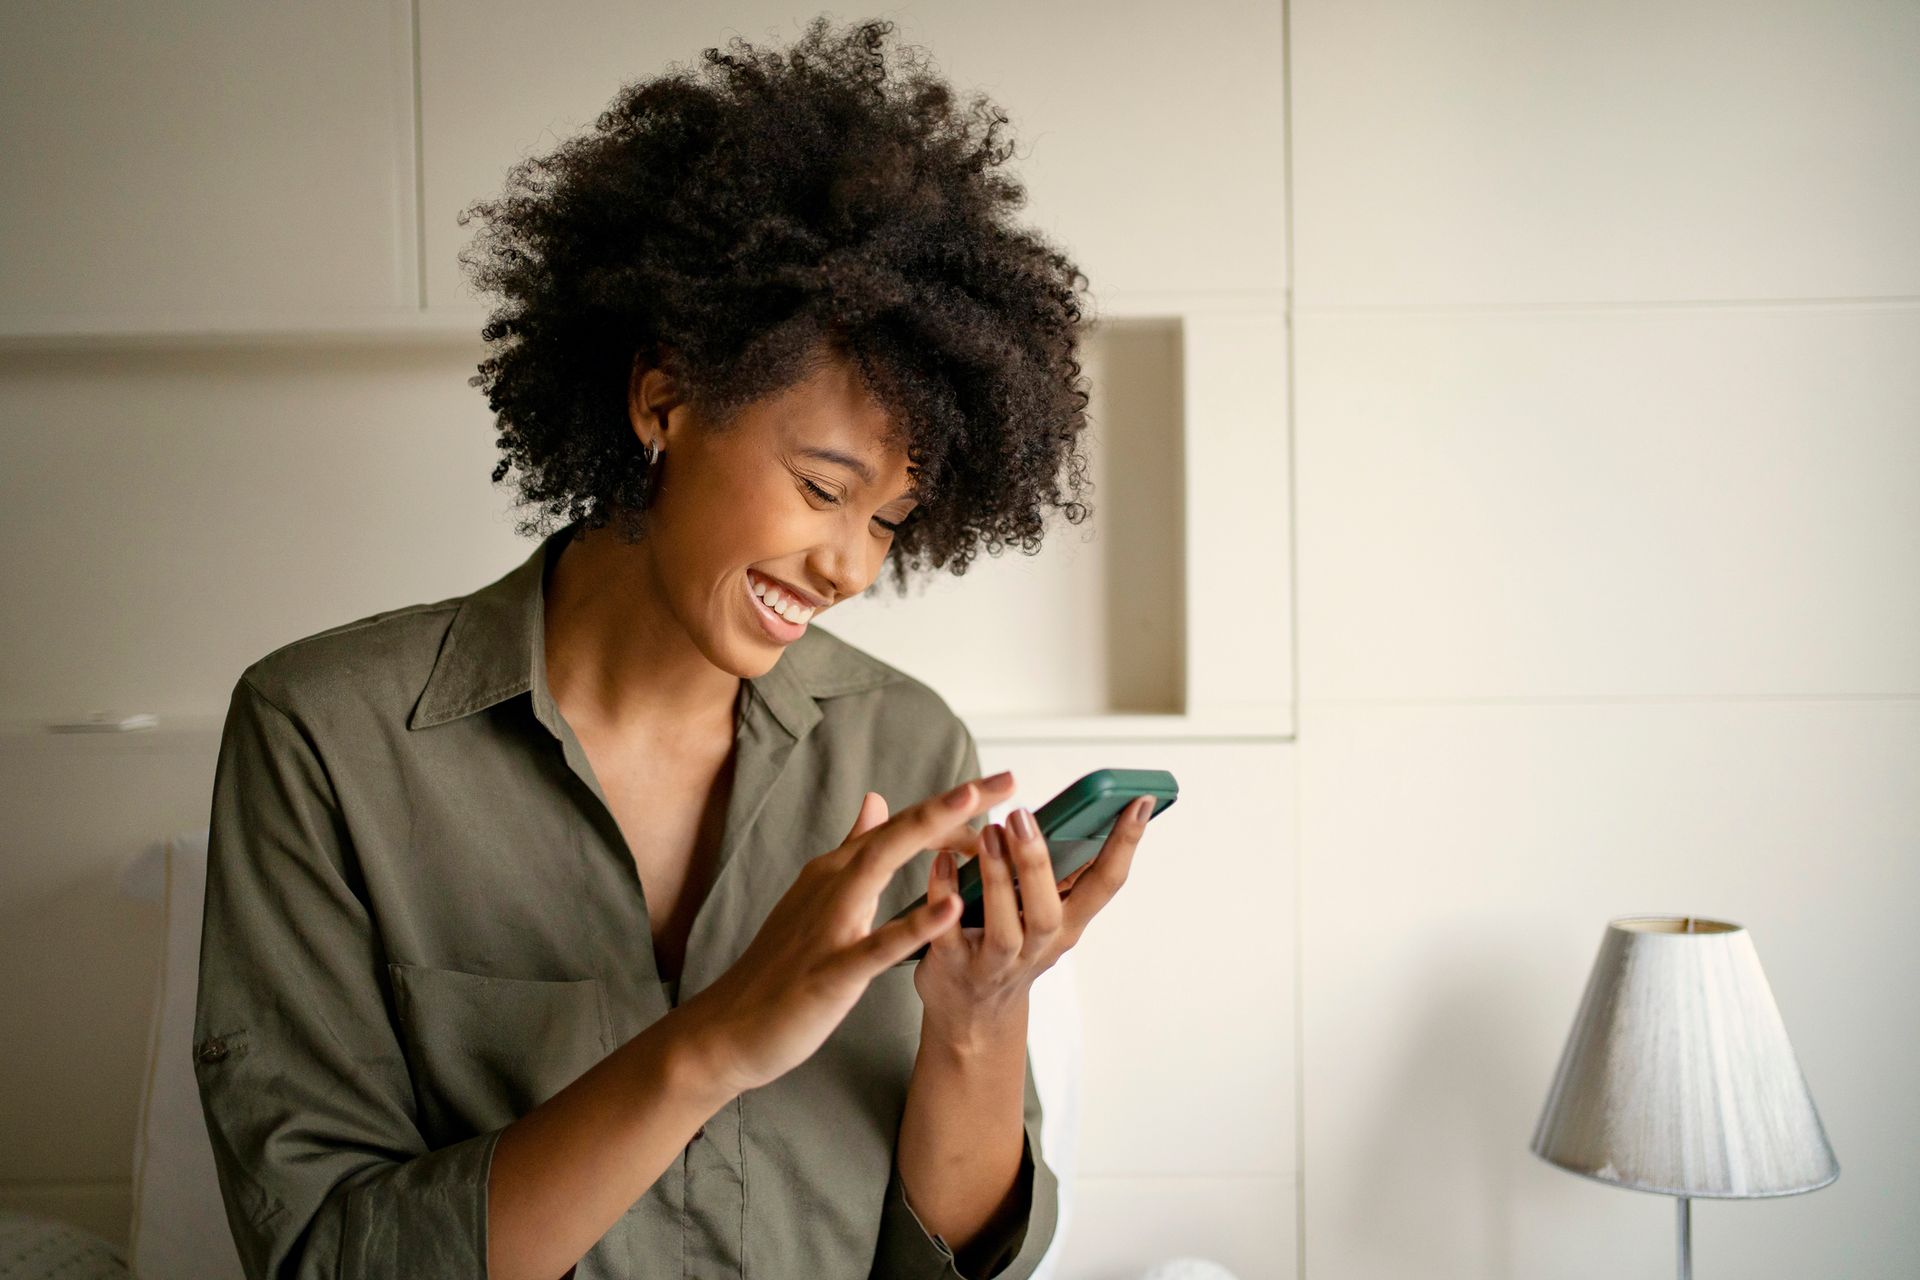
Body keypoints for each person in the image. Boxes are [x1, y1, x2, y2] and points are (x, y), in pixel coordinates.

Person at [192, 15, 1149, 1280]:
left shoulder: (904, 743)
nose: (853, 566)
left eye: (890, 521)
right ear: (664, 399)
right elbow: (327, 1255)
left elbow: (953, 1264)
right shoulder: (330, 737)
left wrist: (979, 1020)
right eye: (820, 488)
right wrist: (716, 1042)